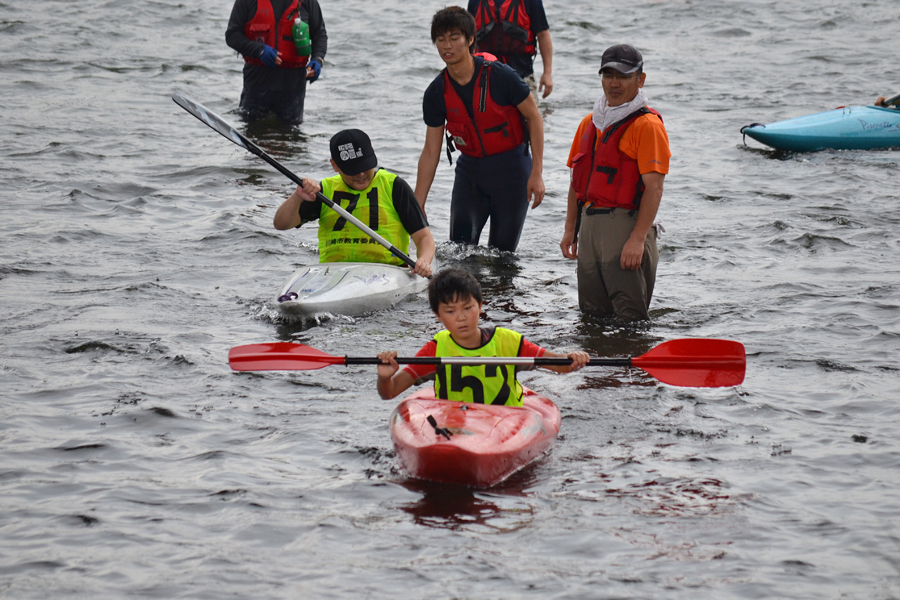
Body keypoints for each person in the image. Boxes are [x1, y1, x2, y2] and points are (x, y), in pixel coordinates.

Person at [415, 6, 545, 253]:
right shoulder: (436, 92)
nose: (447, 46)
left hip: (512, 171)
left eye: (454, 38)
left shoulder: (501, 76)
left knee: (502, 258)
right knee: (459, 253)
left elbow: (534, 118)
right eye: (441, 40)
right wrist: (418, 202)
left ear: (470, 39)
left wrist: (536, 173)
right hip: (471, 173)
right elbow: (431, 151)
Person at [559, 44, 670, 322]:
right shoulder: (589, 123)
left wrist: (637, 239)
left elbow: (654, 188)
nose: (614, 83)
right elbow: (576, 182)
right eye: (608, 76)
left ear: (640, 80)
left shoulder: (647, 126)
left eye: (622, 76)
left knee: (630, 320)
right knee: (592, 318)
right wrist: (570, 230)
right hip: (590, 229)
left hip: (625, 227)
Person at [376, 268, 589, 404]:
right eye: (450, 312)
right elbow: (389, 392)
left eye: (468, 308)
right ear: (438, 315)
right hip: (454, 424)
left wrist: (573, 358)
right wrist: (384, 378)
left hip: (504, 422)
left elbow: (558, 364)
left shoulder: (508, 341)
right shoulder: (435, 349)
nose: (461, 318)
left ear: (480, 306)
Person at [274, 129, 435, 277]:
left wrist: (423, 262)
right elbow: (281, 224)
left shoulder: (395, 187)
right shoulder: (324, 190)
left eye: (365, 165)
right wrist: (297, 197)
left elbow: (424, 238)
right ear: (334, 165)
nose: (361, 174)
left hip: (388, 271)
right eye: (353, 169)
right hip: (333, 273)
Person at [225, 0, 327, 124]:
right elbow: (232, 35)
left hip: (293, 83)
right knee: (252, 129)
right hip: (257, 79)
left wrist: (317, 60)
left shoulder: (308, 3)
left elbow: (319, 35)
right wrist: (259, 50)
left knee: (290, 135)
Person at [467, 0, 554, 100]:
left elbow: (543, 35)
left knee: (532, 115)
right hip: (486, 78)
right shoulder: (475, 2)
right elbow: (468, 39)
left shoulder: (531, 2)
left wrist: (547, 73)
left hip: (522, 75)